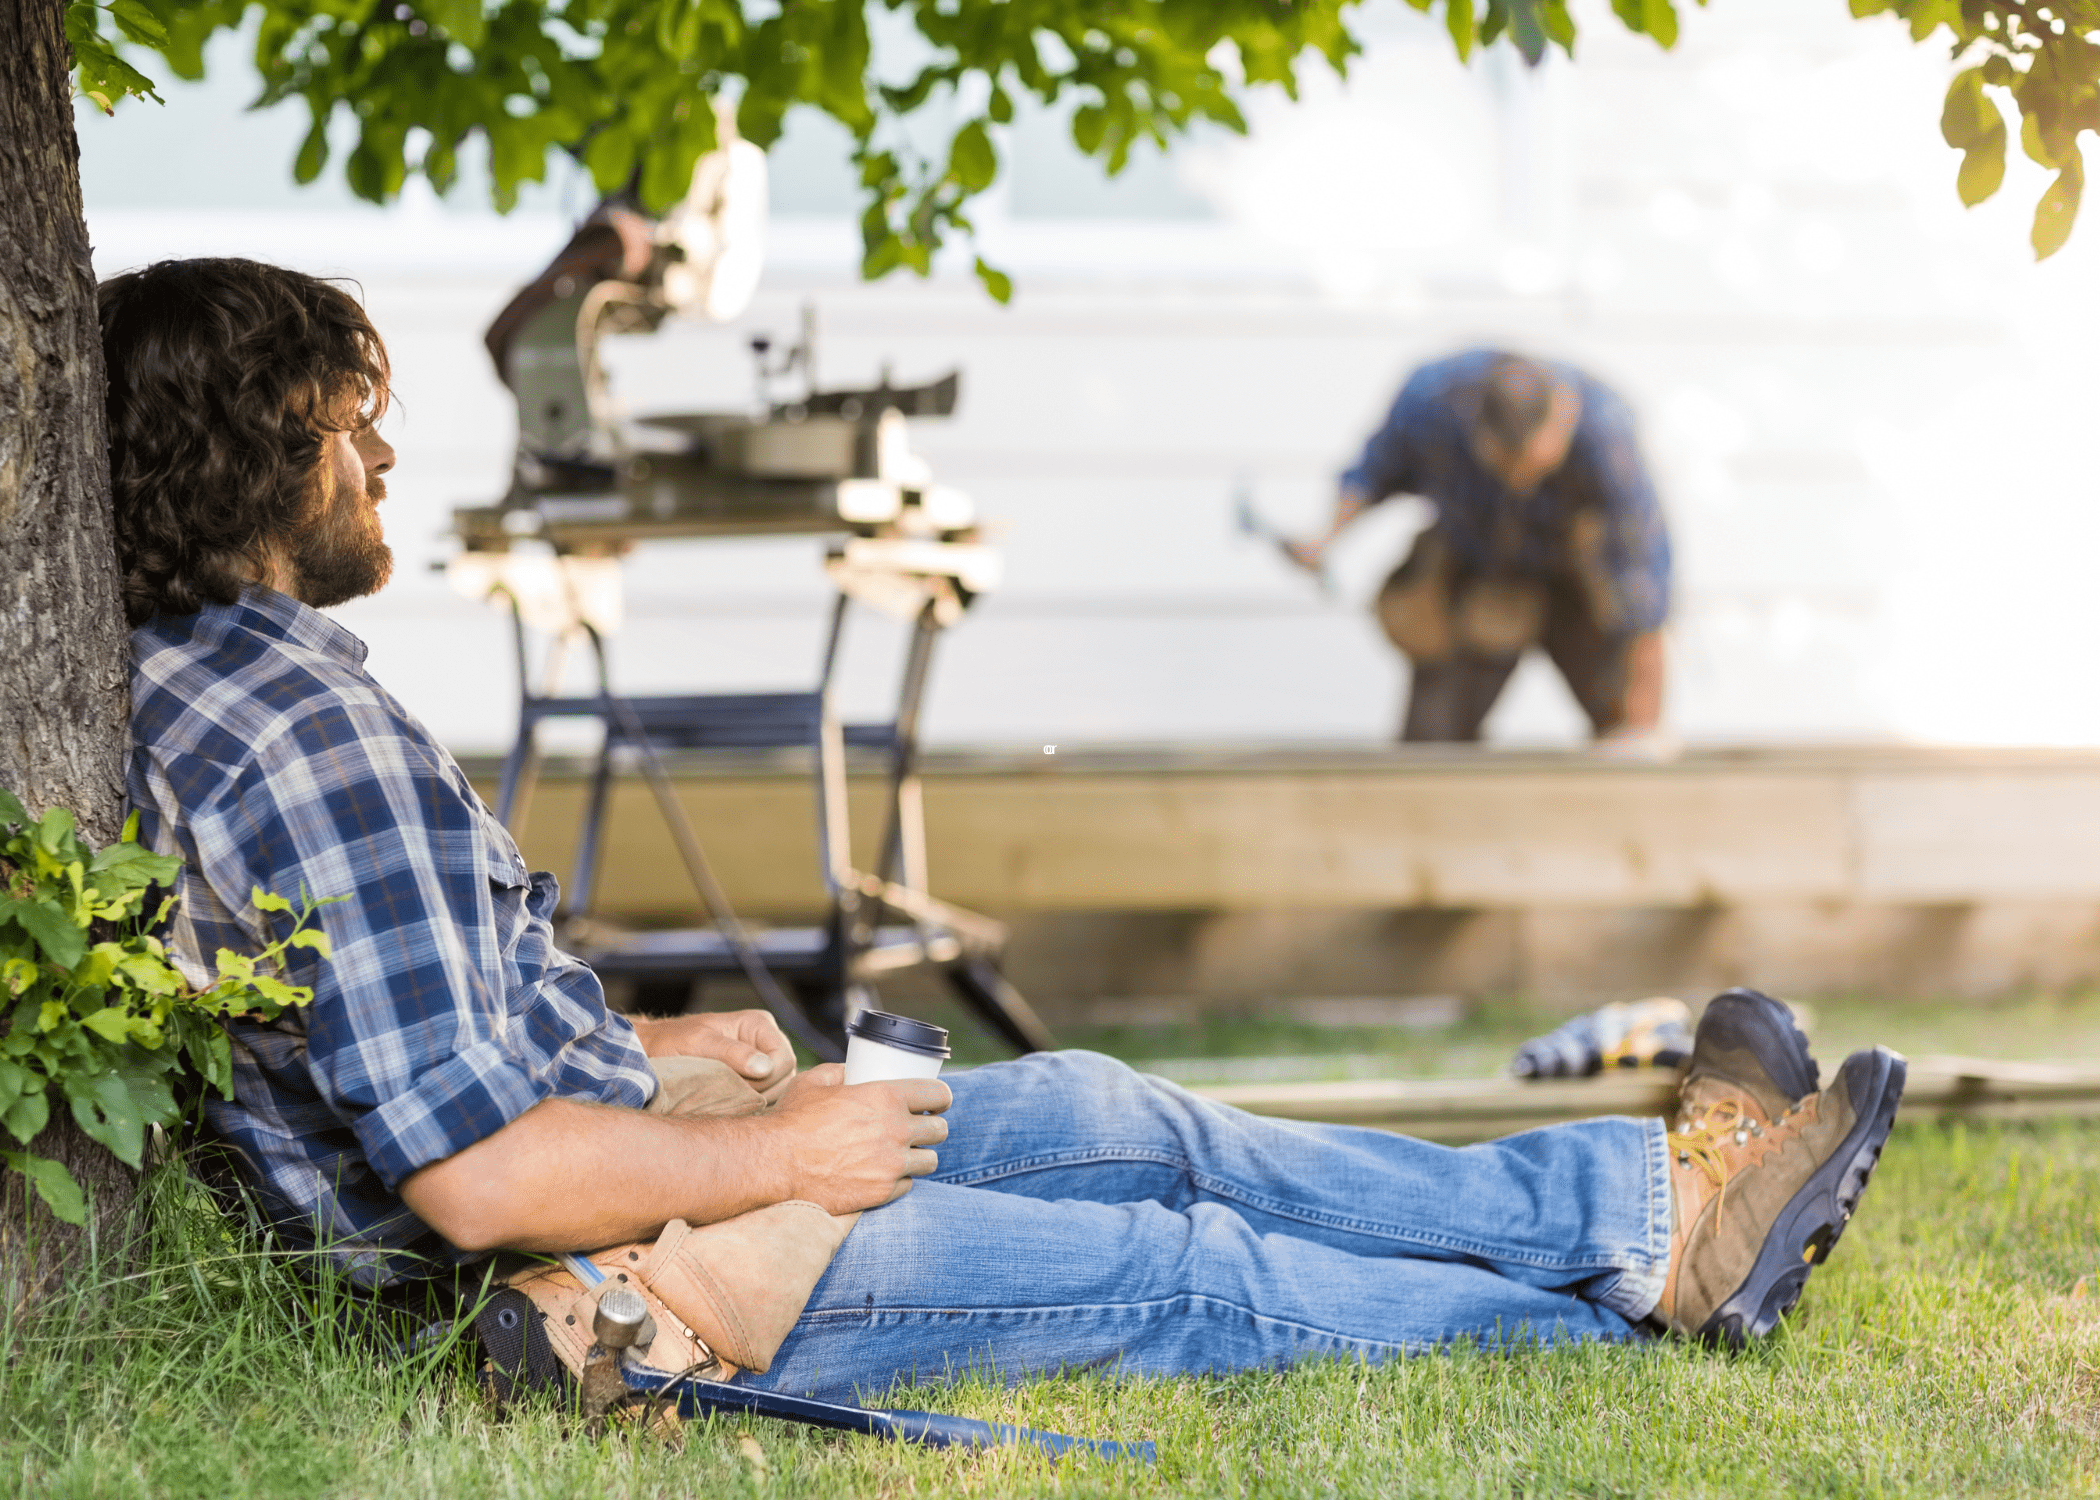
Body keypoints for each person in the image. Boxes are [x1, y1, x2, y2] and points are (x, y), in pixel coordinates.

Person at [107, 259, 1899, 1404]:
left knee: (1122, 1111)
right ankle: (1656, 1291)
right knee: (1181, 1272)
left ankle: (1647, 1206)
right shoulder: (307, 734)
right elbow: (480, 1181)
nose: (392, 461)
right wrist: (778, 1150)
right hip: (614, 1270)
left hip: (631, 1149)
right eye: (357, 425)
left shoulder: (222, 687)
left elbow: (399, 1039)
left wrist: (652, 1042)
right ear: (265, 448)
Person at [1291, 350, 1672, 744]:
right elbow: (1374, 472)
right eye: (1506, 465)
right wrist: (1326, 537)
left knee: (1625, 730)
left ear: (1564, 415)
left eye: (1533, 464)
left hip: (1573, 581)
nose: (1520, 481)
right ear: (1475, 426)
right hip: (1475, 572)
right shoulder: (1430, 401)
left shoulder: (1607, 435)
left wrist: (1642, 731)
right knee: (1430, 748)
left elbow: (1644, 587)